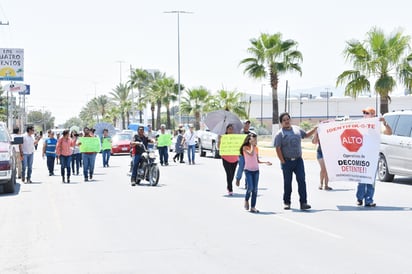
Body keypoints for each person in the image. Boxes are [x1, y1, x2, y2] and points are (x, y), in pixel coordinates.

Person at [274, 112, 317, 210]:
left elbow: (305, 135)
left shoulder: (297, 129)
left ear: (290, 120)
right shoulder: (280, 134)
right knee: (287, 183)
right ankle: (287, 202)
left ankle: (303, 203)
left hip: (298, 161)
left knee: (302, 180)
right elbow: (278, 148)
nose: (286, 121)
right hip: (287, 162)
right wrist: (282, 161)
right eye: (284, 120)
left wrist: (314, 129)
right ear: (281, 123)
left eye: (287, 119)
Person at [356, 106, 392, 207]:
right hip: (362, 156)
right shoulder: (360, 124)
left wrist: (384, 122)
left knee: (371, 179)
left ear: (373, 115)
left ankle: (369, 200)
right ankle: (359, 198)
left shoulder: (378, 125)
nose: (365, 115)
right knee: (362, 178)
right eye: (364, 113)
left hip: (373, 156)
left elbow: (389, 133)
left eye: (367, 113)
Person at [241, 133, 272, 213]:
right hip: (248, 170)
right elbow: (251, 154)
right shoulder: (245, 147)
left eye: (256, 140)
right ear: (249, 140)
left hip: (256, 171)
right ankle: (246, 199)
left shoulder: (256, 148)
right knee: (250, 187)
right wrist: (252, 145)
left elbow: (257, 160)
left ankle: (253, 207)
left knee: (255, 190)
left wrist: (265, 162)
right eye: (254, 140)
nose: (255, 141)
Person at [218, 124, 239, 195]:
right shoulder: (223, 137)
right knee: (228, 174)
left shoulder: (235, 137)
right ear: (226, 130)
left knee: (232, 175)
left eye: (232, 129)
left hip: (235, 158)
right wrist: (219, 140)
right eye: (229, 129)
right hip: (225, 158)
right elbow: (218, 147)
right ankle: (230, 189)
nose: (231, 130)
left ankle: (229, 185)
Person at [235, 120, 252, 187]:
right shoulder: (239, 134)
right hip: (241, 154)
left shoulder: (250, 134)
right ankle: (238, 179)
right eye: (246, 124)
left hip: (248, 154)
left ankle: (247, 183)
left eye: (248, 124)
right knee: (241, 166)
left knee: (248, 168)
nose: (247, 125)